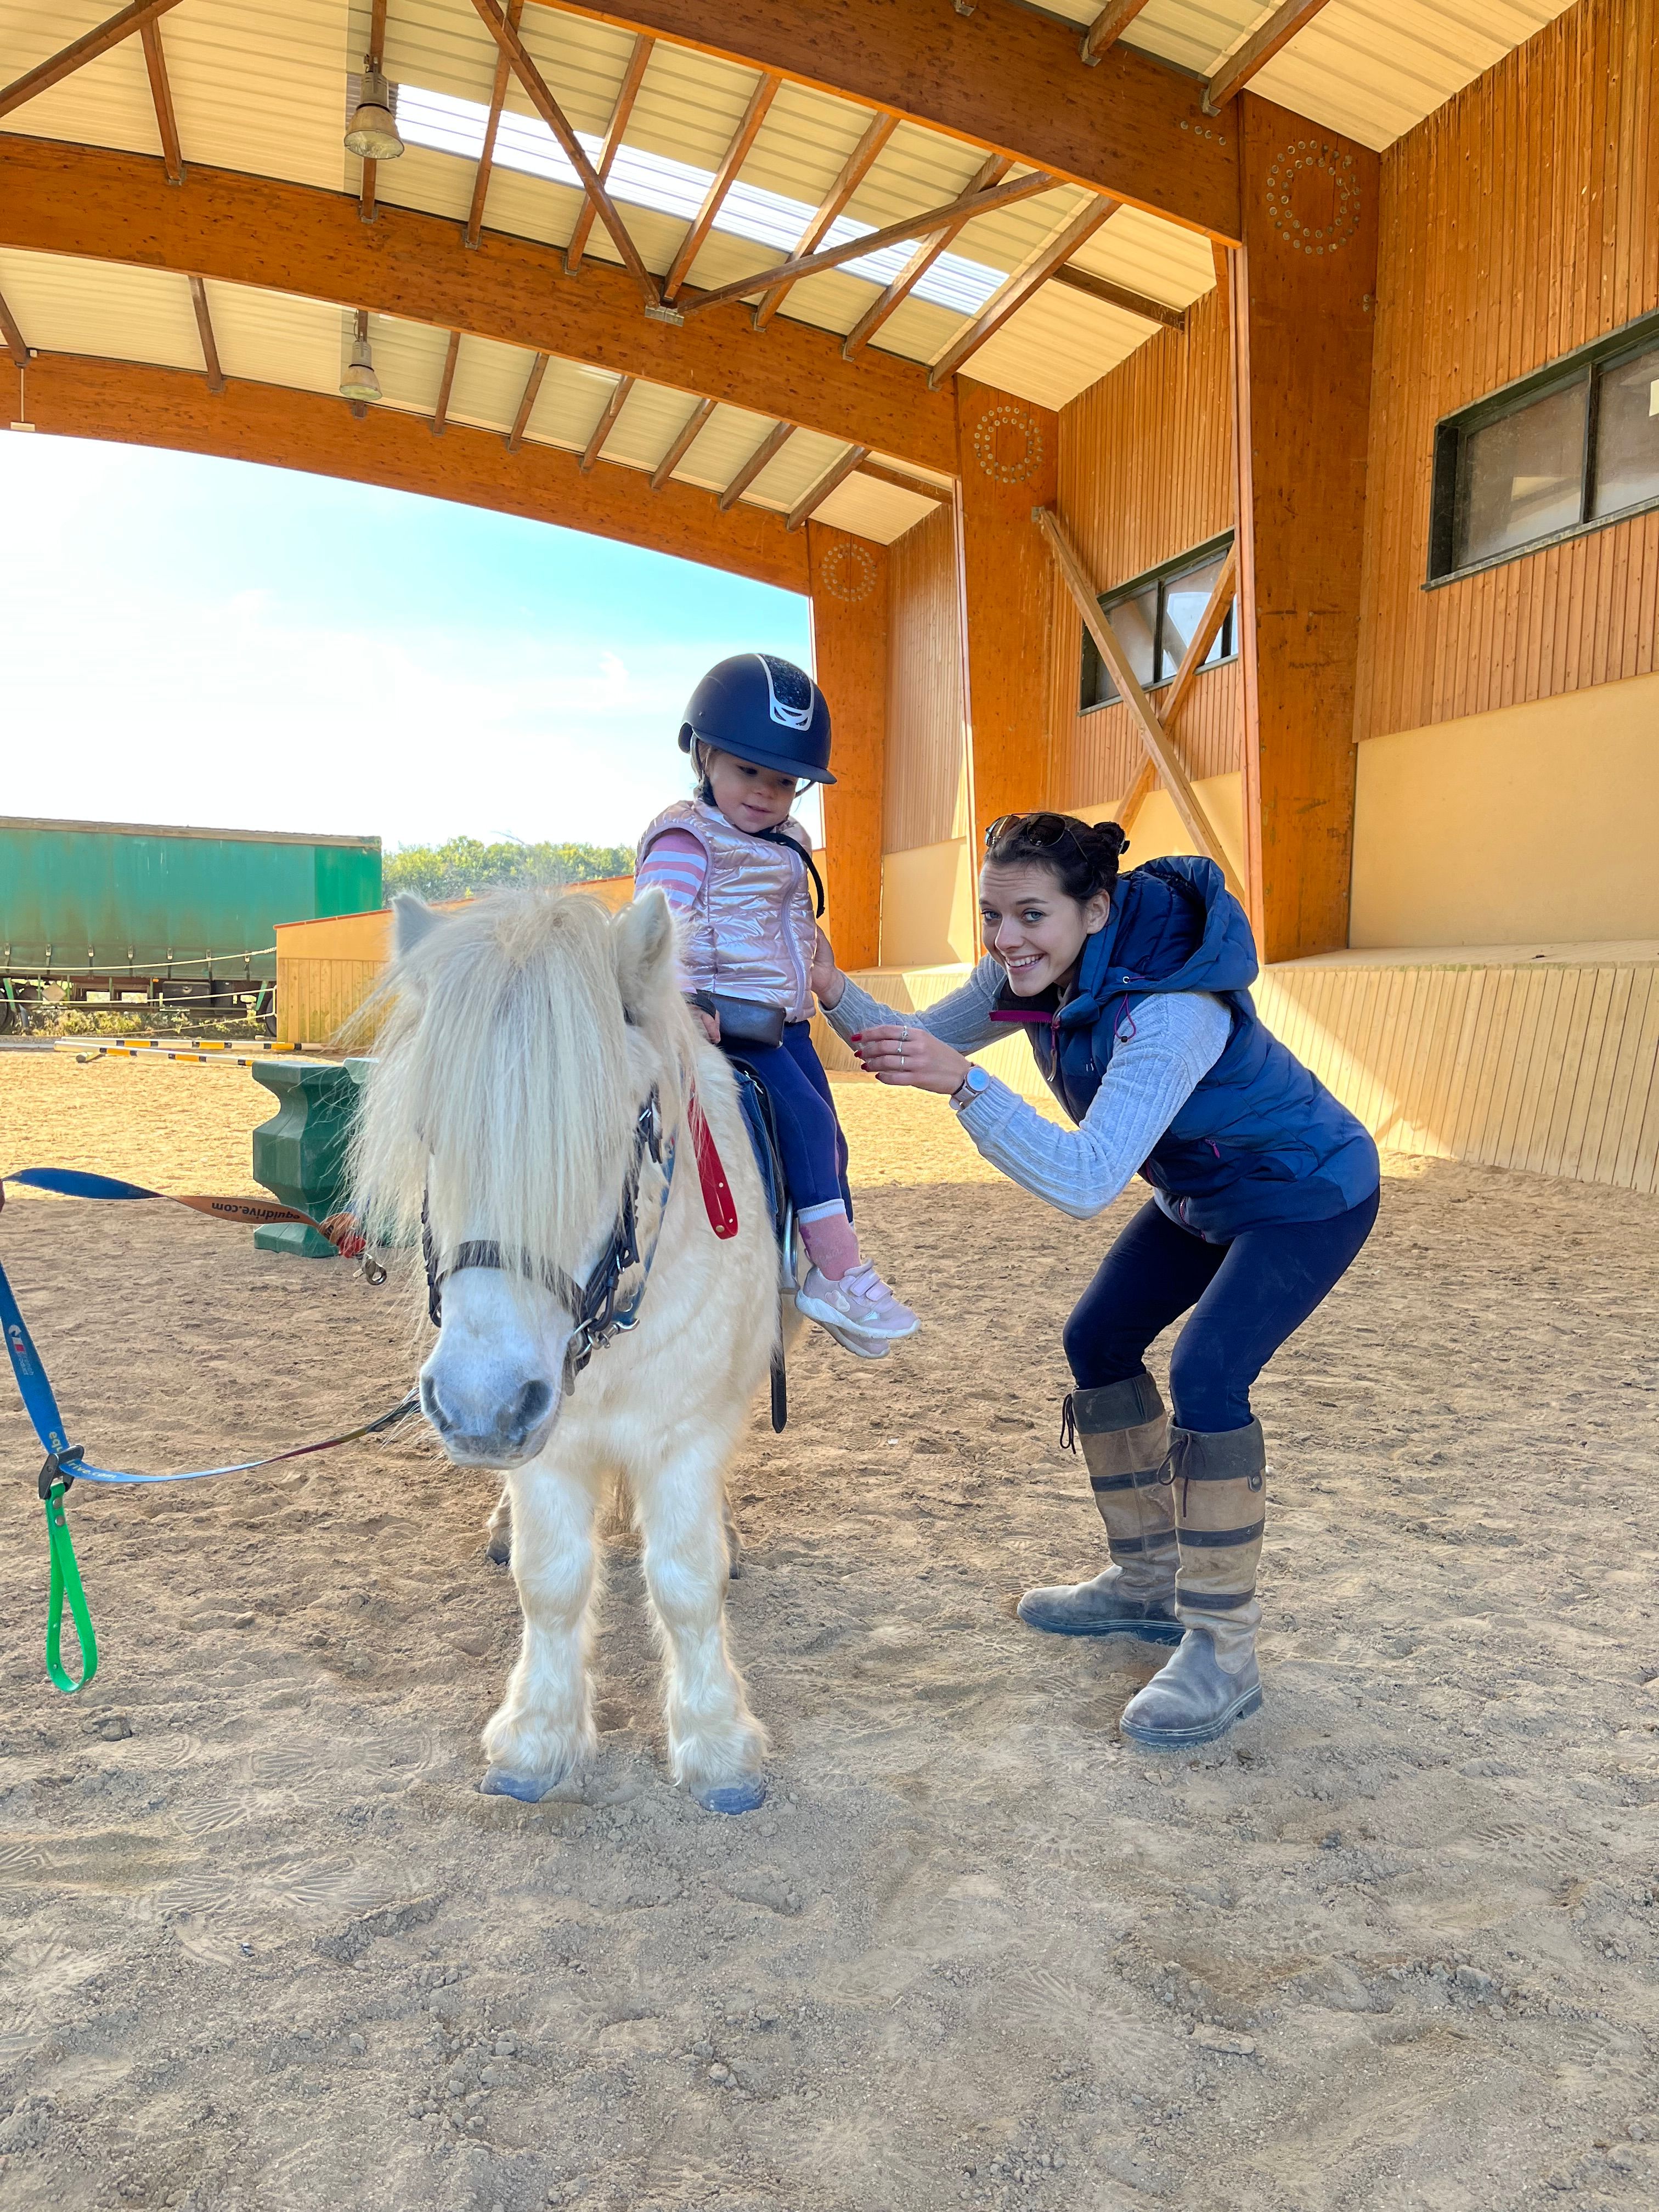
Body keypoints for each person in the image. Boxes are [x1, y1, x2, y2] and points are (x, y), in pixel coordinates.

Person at [810, 811, 1380, 1749]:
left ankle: (1222, 1650)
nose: (1004, 940)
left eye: (1029, 914)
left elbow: (1083, 1181)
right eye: (990, 914)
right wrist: (832, 987)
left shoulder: (1171, 1009)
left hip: (1303, 1193)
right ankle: (1145, 1583)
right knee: (1096, 1339)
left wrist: (965, 1087)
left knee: (1206, 1374)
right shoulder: (1029, 971)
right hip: (1200, 1193)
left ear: (1095, 908)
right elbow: (908, 1041)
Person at [635, 653, 918, 1354]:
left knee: (826, 1136)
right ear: (704, 756)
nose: (766, 793)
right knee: (807, 1120)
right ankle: (836, 1269)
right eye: (747, 772)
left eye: (785, 782)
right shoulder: (685, 838)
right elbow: (654, 930)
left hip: (784, 1021)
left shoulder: (786, 840)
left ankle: (815, 1262)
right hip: (723, 1019)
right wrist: (681, 1002)